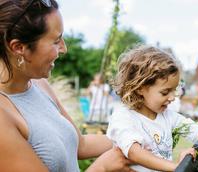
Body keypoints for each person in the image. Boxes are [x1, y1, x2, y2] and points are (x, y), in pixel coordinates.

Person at [0, 0, 133, 171]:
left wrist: (136, 140)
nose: (64, 49)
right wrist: (102, 167)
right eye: (56, 41)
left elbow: (81, 145)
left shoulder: (40, 85)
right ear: (19, 47)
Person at [106, 45, 198, 171]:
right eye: (165, 92)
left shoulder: (168, 116)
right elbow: (134, 152)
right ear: (140, 88)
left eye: (174, 90)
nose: (172, 97)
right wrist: (176, 167)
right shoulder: (124, 117)